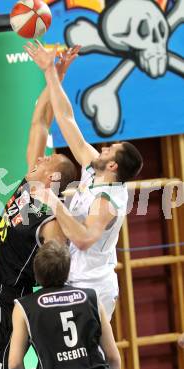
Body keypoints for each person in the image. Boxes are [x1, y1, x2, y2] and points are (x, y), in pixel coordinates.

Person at [0, 51, 78, 369]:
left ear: (52, 181)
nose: (43, 157)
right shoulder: (29, 183)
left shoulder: (49, 219)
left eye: (50, 160)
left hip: (9, 299)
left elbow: (58, 262)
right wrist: (53, 75)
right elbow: (40, 121)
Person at [25, 41, 143, 320]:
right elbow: (66, 119)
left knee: (94, 360)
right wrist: (52, 73)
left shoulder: (107, 201)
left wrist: (54, 201)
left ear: (113, 164)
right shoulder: (94, 169)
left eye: (109, 149)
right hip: (74, 278)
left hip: (93, 286)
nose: (103, 148)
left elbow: (85, 240)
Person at [9, 240, 121, 369]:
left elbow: (14, 364)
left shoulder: (24, 307)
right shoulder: (91, 297)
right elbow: (113, 358)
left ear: (36, 272)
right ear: (68, 271)